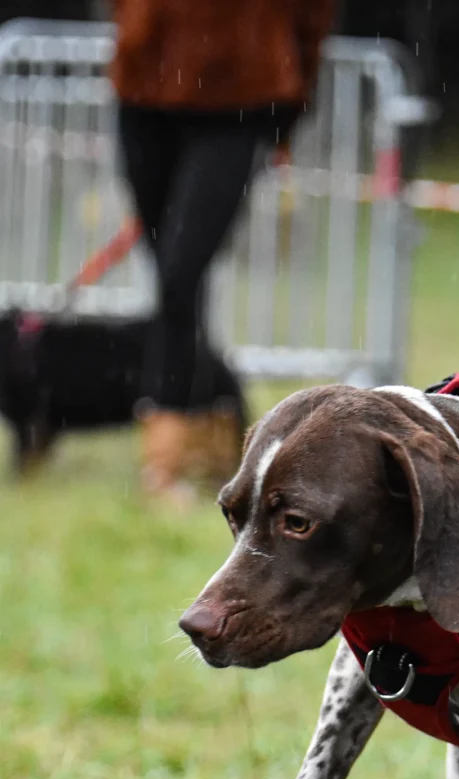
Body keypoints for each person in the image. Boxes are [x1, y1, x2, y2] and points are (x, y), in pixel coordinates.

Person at [112, 0, 336, 500]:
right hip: (145, 84)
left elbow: (313, 14)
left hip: (239, 93)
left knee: (179, 276)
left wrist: (294, 95)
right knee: (174, 284)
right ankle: (213, 420)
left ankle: (164, 462)